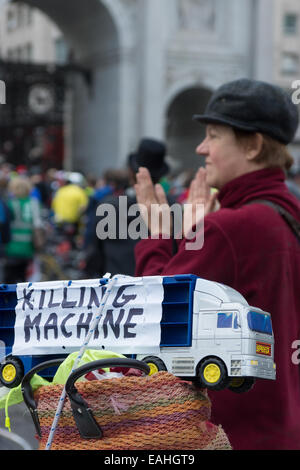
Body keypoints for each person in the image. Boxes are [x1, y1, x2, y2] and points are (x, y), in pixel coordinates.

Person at [134, 78, 300, 450]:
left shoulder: (230, 229)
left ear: (253, 146)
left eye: (213, 135)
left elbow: (155, 320)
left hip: (232, 436)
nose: (201, 147)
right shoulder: (287, 215)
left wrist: (160, 234)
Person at [92, 138, 174, 277]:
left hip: (115, 291)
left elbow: (95, 255)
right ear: (161, 175)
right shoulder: (172, 208)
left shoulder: (108, 206)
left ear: (130, 171)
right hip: (157, 290)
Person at [4, 176, 43, 283]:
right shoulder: (33, 203)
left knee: (9, 279)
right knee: (24, 279)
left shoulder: (10, 203)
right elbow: (37, 225)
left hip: (11, 247)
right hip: (28, 247)